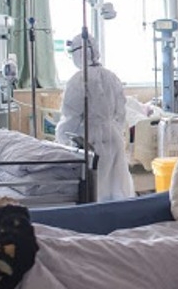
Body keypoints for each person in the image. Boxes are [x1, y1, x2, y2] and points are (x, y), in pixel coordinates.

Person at [55, 34, 135, 202]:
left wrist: (61, 138)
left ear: (79, 53)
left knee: (95, 191)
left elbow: (71, 117)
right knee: (116, 189)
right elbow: (121, 112)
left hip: (90, 142)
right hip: (113, 138)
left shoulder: (78, 80)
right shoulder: (112, 77)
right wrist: (114, 131)